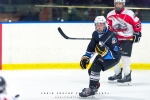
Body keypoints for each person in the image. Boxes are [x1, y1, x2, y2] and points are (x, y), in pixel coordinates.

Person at [79, 16, 121, 97]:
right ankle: (95, 84)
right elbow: (91, 48)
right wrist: (86, 57)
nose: (99, 26)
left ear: (105, 24)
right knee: (91, 71)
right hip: (103, 55)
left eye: (101, 24)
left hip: (113, 57)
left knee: (96, 65)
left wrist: (105, 52)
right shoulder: (95, 34)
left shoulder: (111, 36)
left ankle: (92, 89)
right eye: (97, 25)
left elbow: (115, 53)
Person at [107, 0, 142, 85]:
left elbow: (137, 23)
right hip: (116, 39)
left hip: (127, 38)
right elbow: (109, 27)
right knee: (114, 57)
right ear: (115, 4)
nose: (118, 5)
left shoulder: (129, 13)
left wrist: (137, 33)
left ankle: (127, 76)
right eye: (117, 4)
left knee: (124, 57)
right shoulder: (110, 15)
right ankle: (118, 74)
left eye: (120, 4)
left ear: (123, 4)